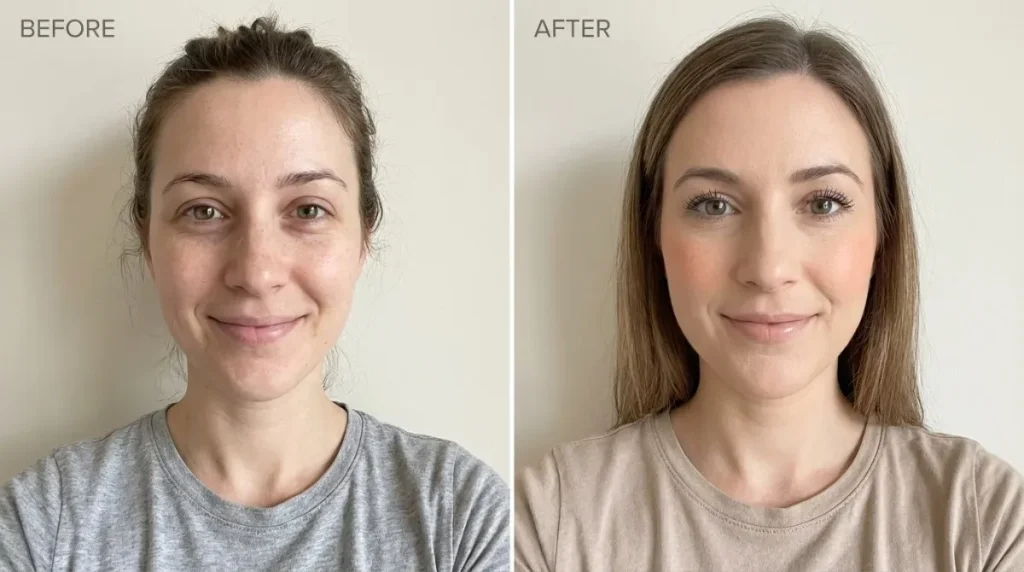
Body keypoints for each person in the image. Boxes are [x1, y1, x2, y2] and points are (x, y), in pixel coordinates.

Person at [515, 16, 1024, 571]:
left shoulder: (985, 521)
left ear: (885, 235)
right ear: (653, 237)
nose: (769, 266)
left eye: (823, 203)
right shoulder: (550, 521)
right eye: (714, 204)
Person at [0, 16, 509, 571]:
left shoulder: (461, 518)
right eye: (204, 211)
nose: (256, 270)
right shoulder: (45, 525)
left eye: (308, 210)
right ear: (147, 241)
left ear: (363, 236)